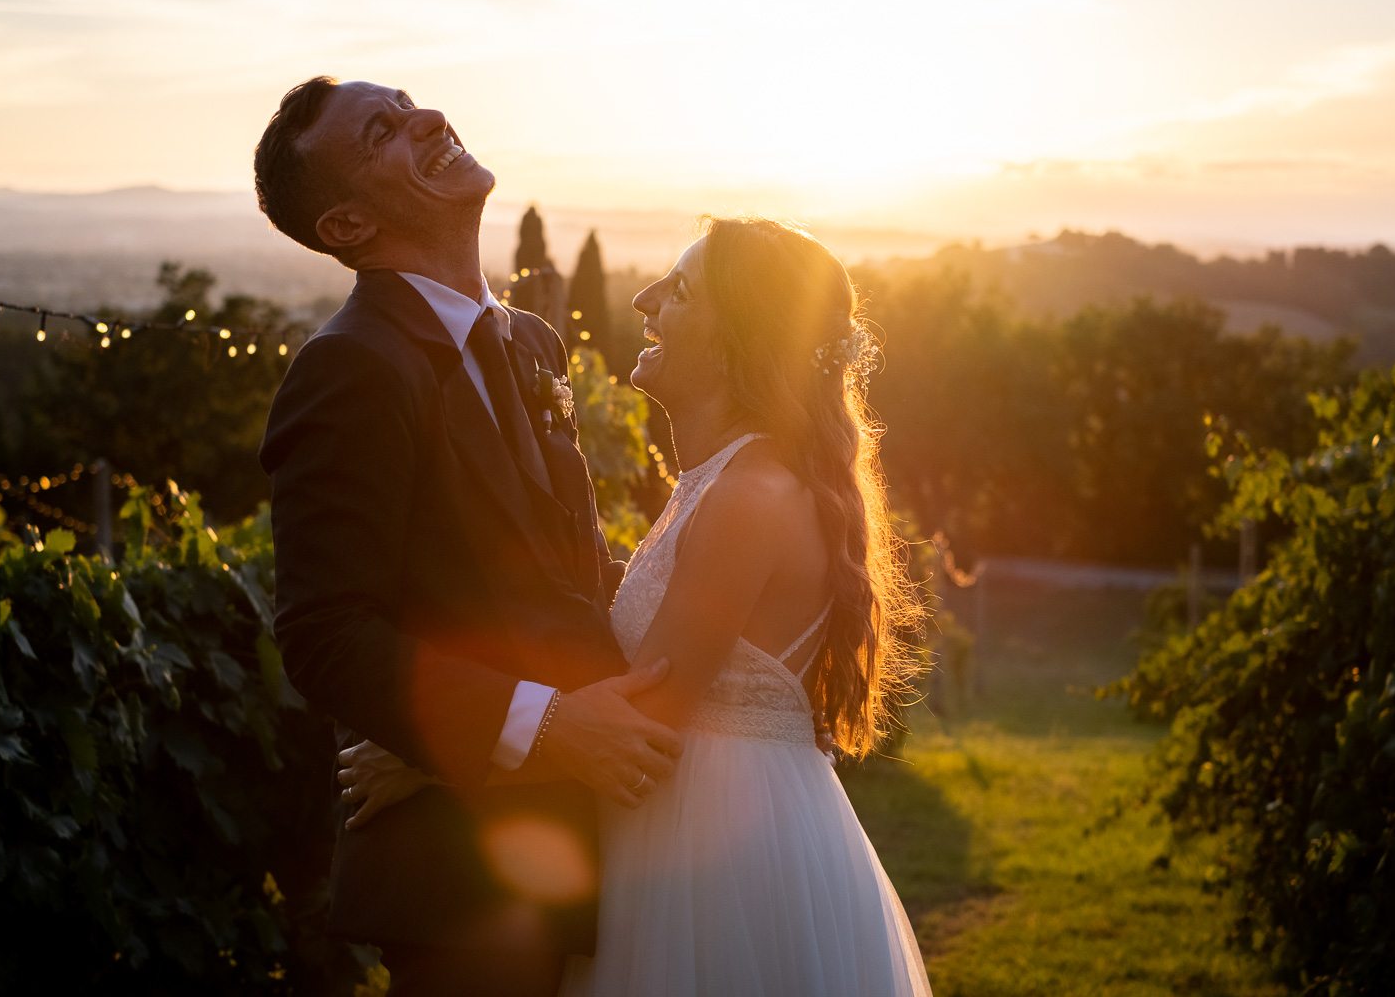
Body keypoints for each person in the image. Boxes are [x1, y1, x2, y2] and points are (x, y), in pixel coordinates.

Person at [349, 217, 933, 995]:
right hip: (689, 829)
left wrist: (431, 764)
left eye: (680, 288)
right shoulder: (728, 480)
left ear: (740, 340)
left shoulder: (750, 494)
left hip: (715, 853)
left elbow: (645, 723)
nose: (645, 298)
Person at [254, 76, 685, 997]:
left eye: (407, 100)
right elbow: (328, 636)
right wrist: (548, 727)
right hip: (460, 887)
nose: (427, 117)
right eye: (382, 131)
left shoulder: (532, 342)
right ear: (345, 228)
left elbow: (556, 579)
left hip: (590, 833)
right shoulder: (348, 368)